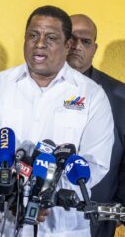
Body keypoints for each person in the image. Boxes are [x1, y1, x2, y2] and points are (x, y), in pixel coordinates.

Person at [0, 6, 114, 236]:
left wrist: (43, 197)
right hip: (1, 225)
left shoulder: (92, 95)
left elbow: (95, 163)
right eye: (33, 35)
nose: (39, 44)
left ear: (68, 45)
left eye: (51, 38)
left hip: (62, 227)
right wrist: (14, 194)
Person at [67, 14, 125, 237]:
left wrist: (118, 207)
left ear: (95, 48)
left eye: (86, 41)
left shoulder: (120, 95)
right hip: (45, 214)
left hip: (99, 216)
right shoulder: (35, 88)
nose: (77, 46)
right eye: (71, 39)